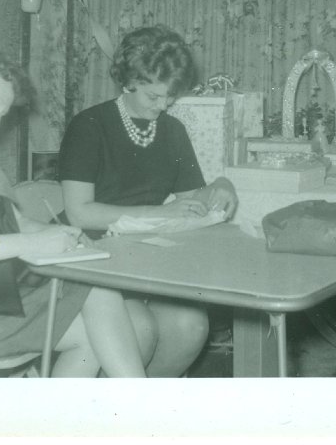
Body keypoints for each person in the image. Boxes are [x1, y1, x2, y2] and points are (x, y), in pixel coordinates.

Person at [0, 49, 149, 377]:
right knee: (101, 312)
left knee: (101, 310)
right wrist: (30, 245)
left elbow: (14, 219)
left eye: (3, 112)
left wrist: (63, 235)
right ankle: (139, 405)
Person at [59, 24, 238, 377]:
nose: (165, 104)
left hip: (146, 259)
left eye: (170, 96)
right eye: (154, 96)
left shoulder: (172, 131)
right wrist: (159, 211)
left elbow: (190, 202)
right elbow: (79, 213)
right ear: (129, 81)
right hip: (91, 261)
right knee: (141, 330)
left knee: (191, 326)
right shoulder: (89, 126)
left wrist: (222, 183)